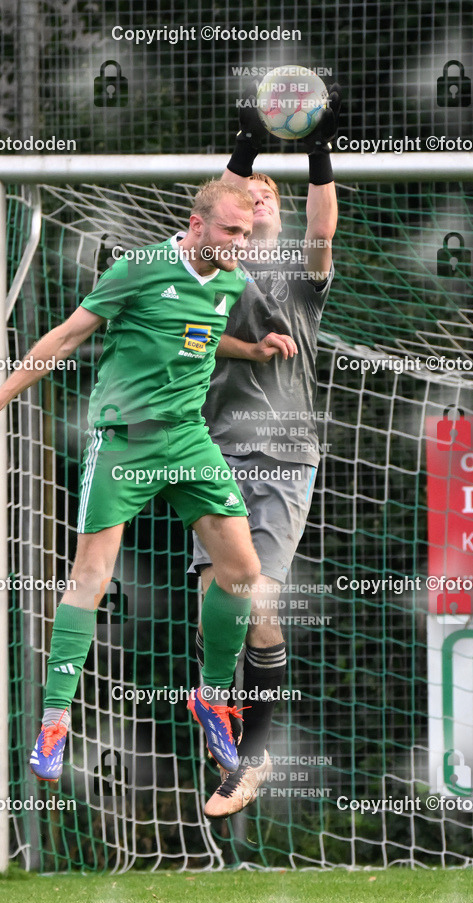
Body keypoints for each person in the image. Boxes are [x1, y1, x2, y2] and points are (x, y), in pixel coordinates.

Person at [0, 179, 271, 783]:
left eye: (247, 233)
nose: (240, 243)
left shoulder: (228, 279)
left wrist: (250, 353)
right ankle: (54, 719)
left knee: (244, 572)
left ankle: (212, 695)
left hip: (188, 440)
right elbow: (68, 336)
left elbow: (192, 336)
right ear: (196, 225)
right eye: (231, 231)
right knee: (92, 576)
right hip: (125, 442)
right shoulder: (138, 268)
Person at [188, 84, 342, 818]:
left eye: (265, 200)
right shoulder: (215, 273)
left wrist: (316, 152)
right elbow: (191, 328)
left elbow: (321, 228)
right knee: (212, 603)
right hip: (213, 453)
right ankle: (225, 722)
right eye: (246, 201)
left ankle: (252, 757)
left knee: (258, 600)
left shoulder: (302, 283)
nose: (256, 205)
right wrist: (244, 151)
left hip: (282, 456)